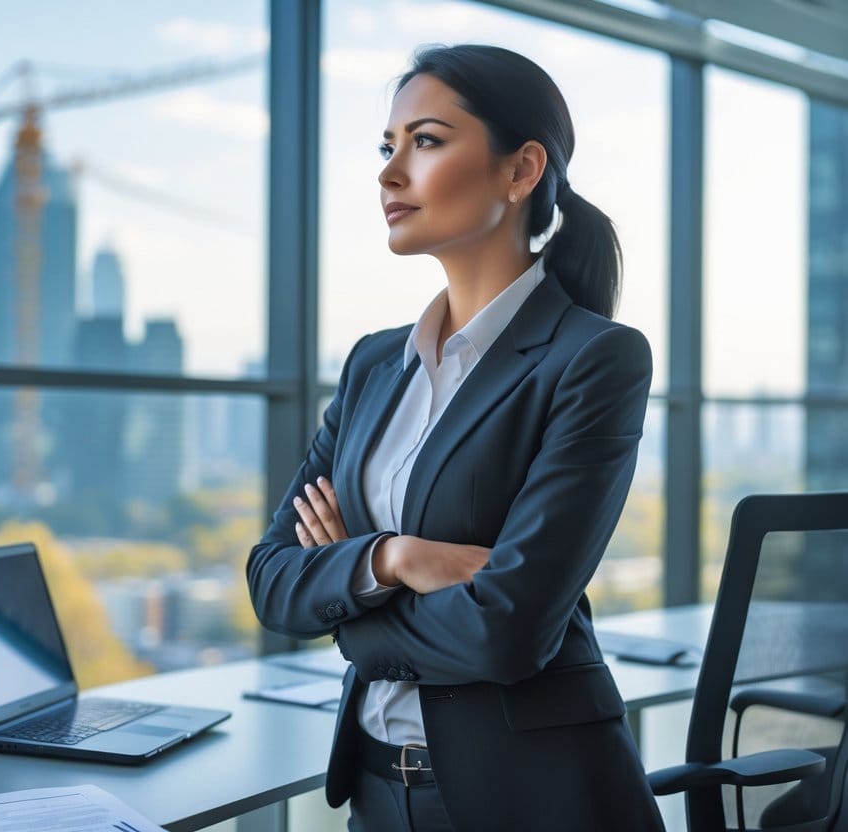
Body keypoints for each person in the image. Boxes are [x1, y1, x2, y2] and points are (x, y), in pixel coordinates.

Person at [246, 44, 666, 832]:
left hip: (531, 798)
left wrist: (350, 608)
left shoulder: (592, 359)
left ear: (519, 170)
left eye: (426, 141)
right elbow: (271, 578)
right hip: (375, 793)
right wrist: (392, 558)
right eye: (387, 146)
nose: (389, 173)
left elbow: (507, 631)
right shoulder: (374, 364)